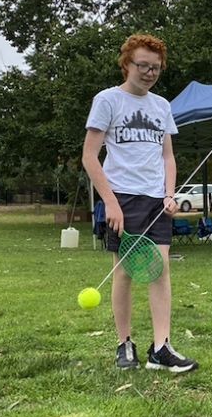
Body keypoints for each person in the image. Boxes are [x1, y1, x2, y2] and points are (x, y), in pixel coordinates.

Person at [82, 33, 197, 373]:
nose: (149, 72)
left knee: (160, 271)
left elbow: (168, 156)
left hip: (155, 199)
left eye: (156, 68)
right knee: (125, 272)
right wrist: (111, 203)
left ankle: (160, 348)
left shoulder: (162, 106)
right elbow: (90, 157)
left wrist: (170, 192)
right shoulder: (107, 100)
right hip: (123, 196)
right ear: (126, 64)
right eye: (143, 65)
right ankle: (124, 343)